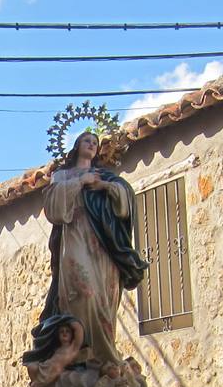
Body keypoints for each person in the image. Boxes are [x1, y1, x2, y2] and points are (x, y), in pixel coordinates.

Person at [34, 131, 145, 374]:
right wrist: (80, 183)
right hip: (75, 235)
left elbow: (126, 201)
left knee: (104, 297)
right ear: (76, 146)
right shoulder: (62, 176)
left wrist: (103, 185)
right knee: (84, 291)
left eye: (95, 143)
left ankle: (104, 355)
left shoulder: (105, 176)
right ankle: (79, 351)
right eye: (87, 141)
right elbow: (53, 206)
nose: (92, 145)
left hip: (102, 244)